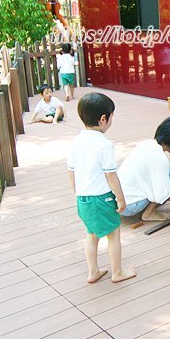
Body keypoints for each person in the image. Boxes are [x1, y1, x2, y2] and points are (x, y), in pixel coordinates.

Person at [67, 92, 135, 284]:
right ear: (103, 119)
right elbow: (110, 175)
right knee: (113, 234)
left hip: (83, 199)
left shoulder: (75, 142)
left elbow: (71, 171)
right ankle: (117, 272)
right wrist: (120, 199)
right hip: (101, 198)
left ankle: (93, 271)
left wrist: (77, 191)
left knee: (92, 234)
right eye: (112, 116)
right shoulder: (104, 145)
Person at [117, 115, 170, 222]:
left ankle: (150, 207)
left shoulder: (147, 143)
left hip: (118, 200)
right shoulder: (159, 158)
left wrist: (169, 186)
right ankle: (149, 214)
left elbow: (145, 175)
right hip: (130, 206)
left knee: (169, 171)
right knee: (168, 175)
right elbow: (162, 196)